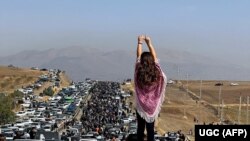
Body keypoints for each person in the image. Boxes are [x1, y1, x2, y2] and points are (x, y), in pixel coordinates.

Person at [134, 35, 167, 141]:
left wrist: (140, 42)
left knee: (140, 128)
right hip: (152, 106)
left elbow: (138, 56)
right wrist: (149, 43)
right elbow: (154, 56)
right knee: (150, 129)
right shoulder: (157, 72)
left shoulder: (138, 71)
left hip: (141, 105)